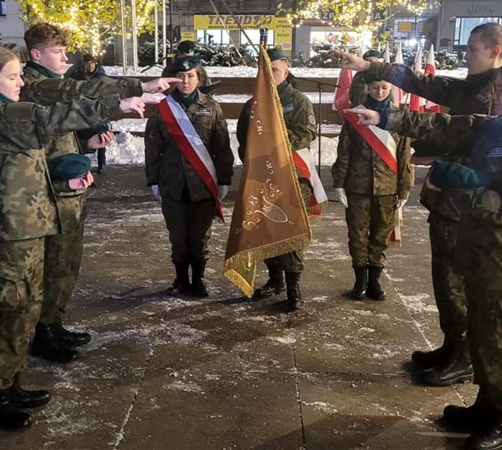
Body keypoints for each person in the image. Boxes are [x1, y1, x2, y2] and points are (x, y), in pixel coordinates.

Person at [345, 57, 502, 450]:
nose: (495, 95)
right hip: (482, 243)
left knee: (500, 333)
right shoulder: (500, 127)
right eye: (496, 87)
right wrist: (386, 117)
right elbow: (445, 126)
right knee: (480, 325)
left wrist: (464, 187)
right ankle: (485, 403)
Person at [0, 44, 149, 430]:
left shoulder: (4, 114)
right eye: (12, 77)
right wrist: (118, 101)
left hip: (27, 226)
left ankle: (11, 383)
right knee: (12, 308)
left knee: (28, 306)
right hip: (7, 232)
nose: (19, 84)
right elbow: (51, 117)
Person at [334, 22, 502, 386]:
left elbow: (471, 138)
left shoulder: (499, 94)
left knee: (460, 281)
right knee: (445, 280)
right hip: (450, 199)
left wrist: (444, 156)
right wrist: (370, 68)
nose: (466, 54)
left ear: (495, 52)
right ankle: (452, 345)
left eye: (473, 48)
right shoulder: (472, 87)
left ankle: (464, 356)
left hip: (471, 205)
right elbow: (423, 84)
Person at [19, 22, 177, 363]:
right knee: (52, 264)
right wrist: (136, 88)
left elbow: (61, 130)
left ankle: (53, 323)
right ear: (35, 54)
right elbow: (76, 97)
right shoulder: (33, 87)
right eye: (57, 52)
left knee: (66, 263)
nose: (64, 58)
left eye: (64, 52)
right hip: (48, 191)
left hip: (68, 188)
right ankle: (43, 332)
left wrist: (86, 142)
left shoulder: (50, 84)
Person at [237, 47, 319, 311]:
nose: (270, 75)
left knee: (291, 232)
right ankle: (275, 279)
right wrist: (254, 159)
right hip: (263, 179)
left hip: (291, 177)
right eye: (265, 71)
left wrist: (271, 149)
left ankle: (294, 285)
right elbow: (242, 138)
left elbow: (305, 133)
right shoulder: (253, 104)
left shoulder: (298, 100)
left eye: (274, 70)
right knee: (266, 230)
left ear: (286, 70)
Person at [145, 56, 234, 297]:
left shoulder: (212, 107)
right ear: (173, 79)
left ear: (199, 78)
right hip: (173, 184)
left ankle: (199, 280)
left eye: (191, 76)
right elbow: (152, 147)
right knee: (178, 237)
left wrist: (224, 179)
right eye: (181, 76)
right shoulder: (162, 108)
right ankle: (181, 279)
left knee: (200, 238)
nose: (185, 81)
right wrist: (153, 179)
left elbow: (222, 147)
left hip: (202, 184)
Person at [332, 77, 413, 301]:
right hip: (357, 186)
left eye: (384, 87)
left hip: (388, 187)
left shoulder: (400, 118)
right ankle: (360, 281)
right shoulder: (354, 116)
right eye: (375, 87)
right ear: (368, 87)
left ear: (390, 89)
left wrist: (405, 188)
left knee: (380, 235)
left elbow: (405, 156)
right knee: (357, 235)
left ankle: (375, 280)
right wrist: (339, 183)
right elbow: (344, 152)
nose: (379, 91)